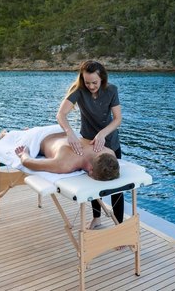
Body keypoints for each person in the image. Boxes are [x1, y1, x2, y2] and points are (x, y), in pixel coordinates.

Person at [56, 60, 123, 229]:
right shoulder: (78, 90)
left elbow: (117, 119)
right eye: (87, 82)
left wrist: (102, 134)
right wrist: (69, 133)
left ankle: (119, 226)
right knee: (94, 182)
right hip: (88, 144)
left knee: (117, 188)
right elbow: (61, 115)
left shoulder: (111, 90)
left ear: (102, 79)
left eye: (95, 82)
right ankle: (97, 218)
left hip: (110, 142)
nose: (91, 86)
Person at [14, 131, 119, 181]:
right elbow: (27, 162)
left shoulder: (109, 152)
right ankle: (6, 135)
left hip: (66, 131)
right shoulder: (65, 164)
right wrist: (23, 154)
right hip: (39, 137)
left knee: (25, 132)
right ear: (90, 170)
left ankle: (26, 131)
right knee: (13, 137)